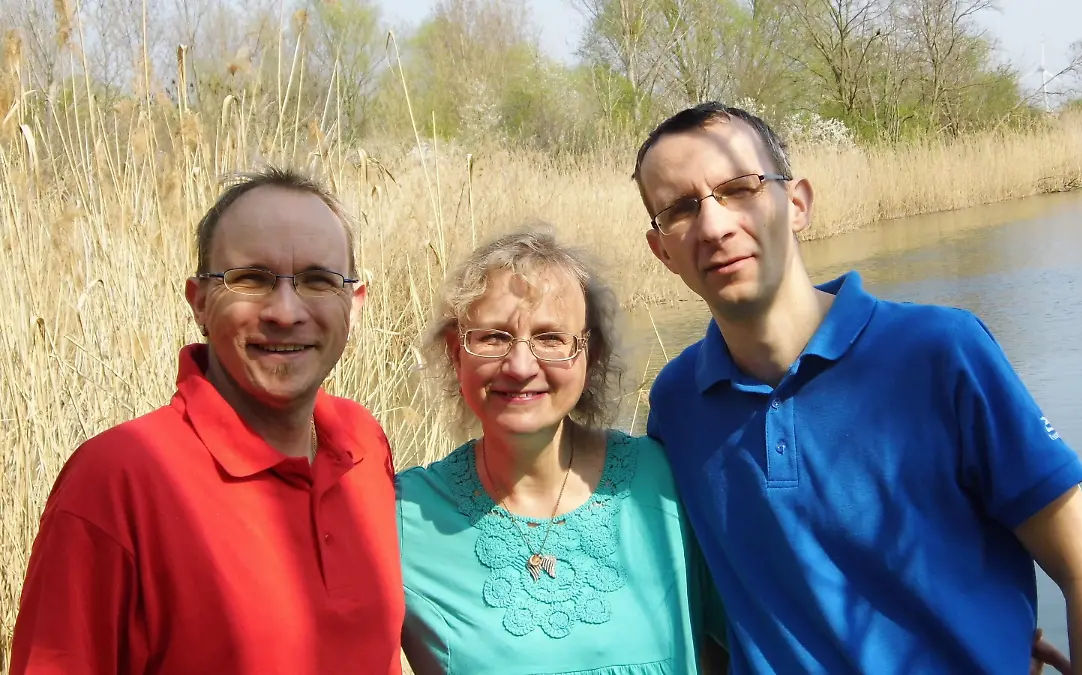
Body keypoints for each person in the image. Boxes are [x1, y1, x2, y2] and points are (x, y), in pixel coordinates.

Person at [633, 102, 1082, 674]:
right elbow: (706, 617)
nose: (715, 225)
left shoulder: (938, 353)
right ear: (662, 252)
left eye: (739, 188)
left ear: (795, 203)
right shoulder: (677, 404)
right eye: (679, 209)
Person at [9, 167, 405, 674]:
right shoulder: (115, 481)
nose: (285, 312)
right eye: (251, 280)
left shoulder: (363, 444)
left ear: (355, 303)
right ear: (199, 301)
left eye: (317, 281)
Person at [395, 227, 724, 674]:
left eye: (551, 338)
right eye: (493, 337)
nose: (520, 365)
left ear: (591, 356)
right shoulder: (404, 517)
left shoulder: (667, 482)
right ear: (457, 354)